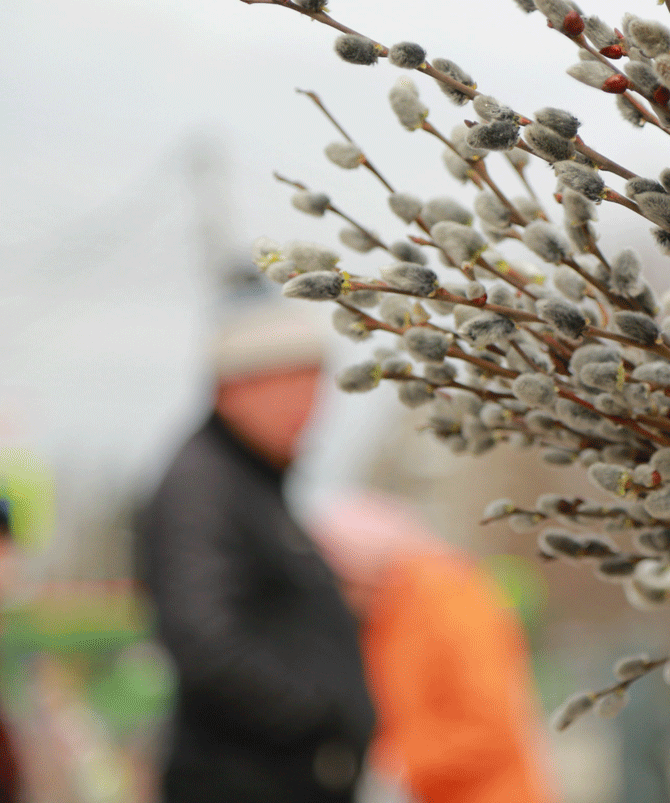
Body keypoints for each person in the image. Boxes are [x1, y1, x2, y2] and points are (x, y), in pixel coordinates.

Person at [137, 304, 374, 802]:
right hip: (244, 781)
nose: (310, 409)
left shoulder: (248, 482)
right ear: (236, 388)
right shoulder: (204, 488)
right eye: (292, 387)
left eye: (315, 389)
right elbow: (206, 642)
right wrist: (321, 715)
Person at [311, 492, 553, 803]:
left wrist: (393, 766)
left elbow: (488, 726)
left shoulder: (449, 601)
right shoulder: (387, 613)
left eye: (343, 582)